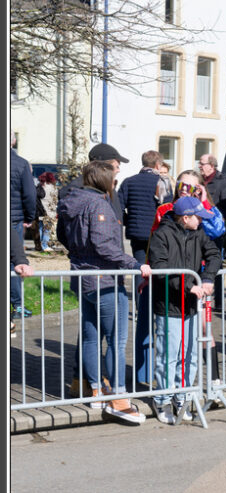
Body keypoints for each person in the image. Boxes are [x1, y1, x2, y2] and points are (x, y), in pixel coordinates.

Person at [57, 160, 152, 424]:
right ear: (103, 180)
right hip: (105, 279)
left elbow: (66, 237)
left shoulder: (72, 201)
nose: (115, 182)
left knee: (90, 338)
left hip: (83, 276)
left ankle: (97, 390)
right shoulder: (98, 203)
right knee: (116, 341)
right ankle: (118, 397)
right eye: (113, 178)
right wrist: (134, 263)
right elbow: (103, 245)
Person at [146, 196, 221, 424]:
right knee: (168, 356)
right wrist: (190, 286)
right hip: (169, 305)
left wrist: (207, 279)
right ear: (185, 217)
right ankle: (163, 400)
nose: (201, 221)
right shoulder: (162, 235)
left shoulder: (198, 234)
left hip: (190, 307)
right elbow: (160, 268)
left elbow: (214, 254)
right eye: (198, 217)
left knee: (191, 355)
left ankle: (183, 398)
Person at [119, 149, 169, 265]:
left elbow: (118, 207)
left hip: (136, 232)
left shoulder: (128, 182)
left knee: (140, 266)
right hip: (157, 231)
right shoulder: (162, 182)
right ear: (157, 165)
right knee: (157, 265)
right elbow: (167, 209)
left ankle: (139, 283)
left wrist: (129, 221)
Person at [10, 135, 36, 319]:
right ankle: (16, 304)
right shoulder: (20, 163)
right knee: (15, 261)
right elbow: (29, 193)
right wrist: (29, 216)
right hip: (14, 218)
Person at [198, 153, 226, 220]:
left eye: (202, 164)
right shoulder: (199, 180)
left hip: (212, 222)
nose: (199, 166)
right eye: (199, 163)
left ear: (211, 166)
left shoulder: (223, 182)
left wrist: (215, 219)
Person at [35, 171, 59, 252]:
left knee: (41, 228)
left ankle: (40, 246)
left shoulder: (40, 186)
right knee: (47, 230)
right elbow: (55, 201)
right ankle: (45, 246)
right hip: (49, 212)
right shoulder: (52, 188)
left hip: (40, 212)